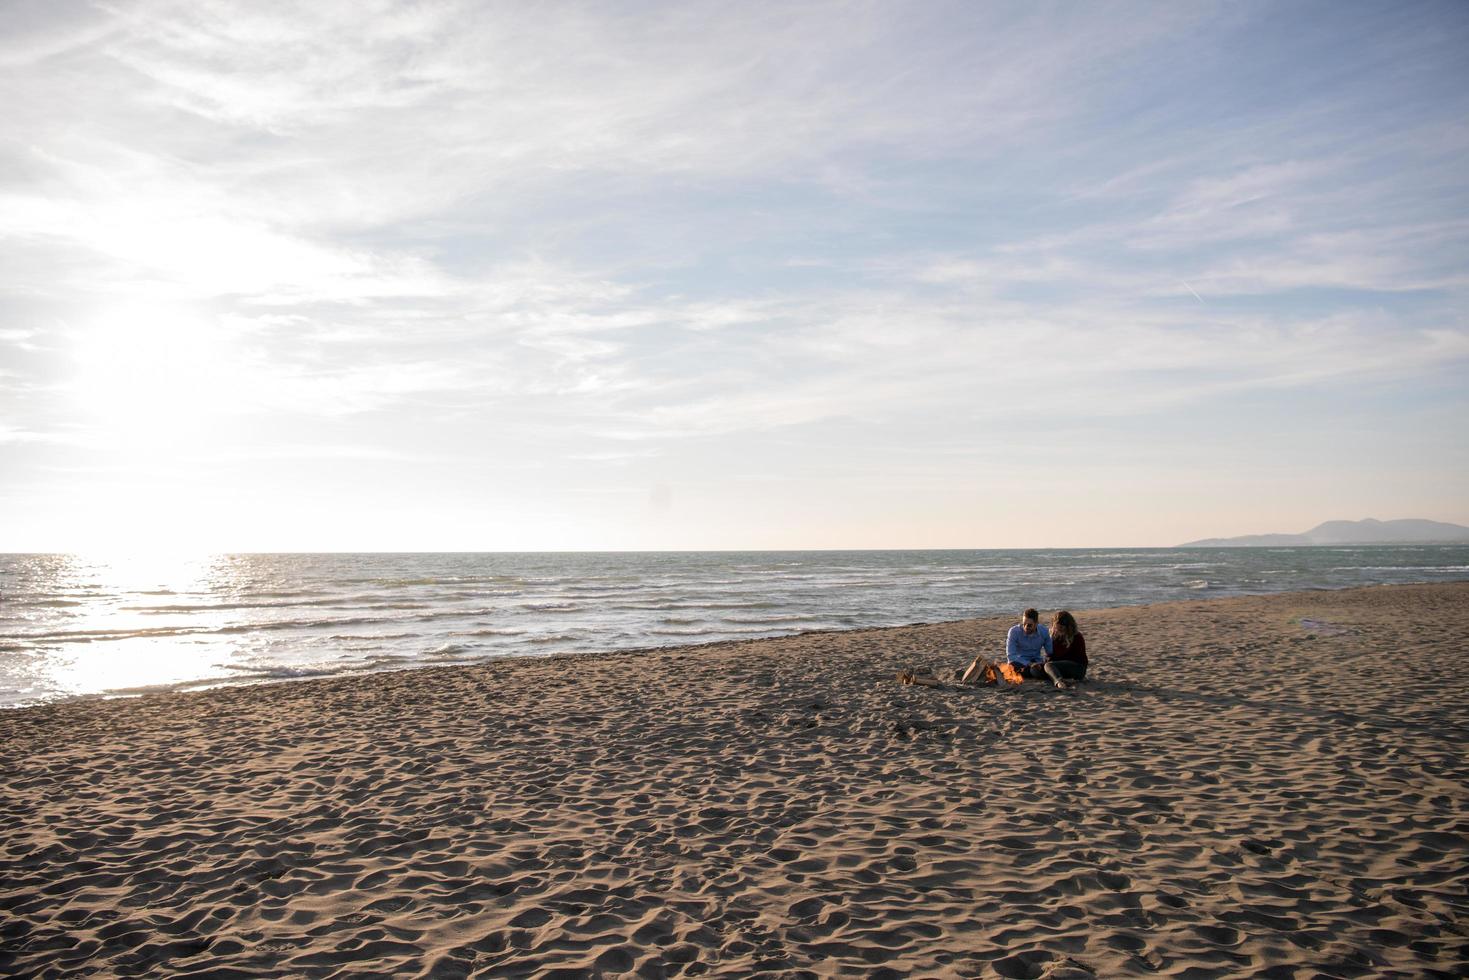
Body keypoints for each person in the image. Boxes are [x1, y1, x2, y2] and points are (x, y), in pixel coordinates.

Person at [1044, 610, 1087, 689]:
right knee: (1036, 670)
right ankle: (1059, 678)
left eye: (1061, 628)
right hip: (1060, 666)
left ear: (1068, 627)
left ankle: (1059, 682)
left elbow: (1078, 659)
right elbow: (1049, 656)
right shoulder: (1054, 636)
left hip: (1077, 667)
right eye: (1056, 627)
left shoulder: (1077, 637)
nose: (1058, 630)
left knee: (1049, 666)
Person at [1005, 608, 1052, 680]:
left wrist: (1044, 661)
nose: (1026, 627)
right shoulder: (1014, 631)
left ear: (1036, 623)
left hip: (1036, 661)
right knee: (1011, 667)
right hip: (1020, 662)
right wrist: (1029, 664)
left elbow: (1050, 652)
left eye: (1029, 625)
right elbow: (1011, 656)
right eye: (1024, 624)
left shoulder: (1044, 631)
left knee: (1037, 670)